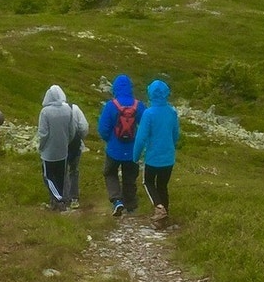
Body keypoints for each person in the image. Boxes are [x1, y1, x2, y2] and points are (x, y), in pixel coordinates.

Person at [132, 79, 181, 225]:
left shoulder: (149, 113)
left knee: (148, 182)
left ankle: (159, 208)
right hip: (168, 157)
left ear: (150, 94)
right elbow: (176, 135)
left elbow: (141, 138)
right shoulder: (172, 112)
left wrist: (135, 156)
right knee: (162, 185)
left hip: (153, 157)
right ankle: (164, 217)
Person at [99, 74, 146, 217]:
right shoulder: (138, 105)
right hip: (133, 149)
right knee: (130, 177)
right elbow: (145, 126)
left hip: (114, 149)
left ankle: (117, 201)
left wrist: (109, 140)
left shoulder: (111, 106)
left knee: (110, 172)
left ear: (115, 88)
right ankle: (131, 206)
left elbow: (103, 129)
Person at [36, 84, 75, 211]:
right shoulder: (67, 109)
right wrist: (66, 142)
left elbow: (43, 133)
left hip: (49, 151)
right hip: (63, 149)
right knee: (60, 176)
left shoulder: (45, 112)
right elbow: (72, 130)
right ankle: (58, 200)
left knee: (48, 176)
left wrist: (41, 147)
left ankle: (58, 200)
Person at [64, 97, 89, 210]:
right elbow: (84, 127)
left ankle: (63, 197)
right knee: (74, 170)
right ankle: (74, 198)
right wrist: (80, 138)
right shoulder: (74, 108)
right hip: (74, 145)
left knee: (61, 171)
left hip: (59, 146)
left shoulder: (49, 110)